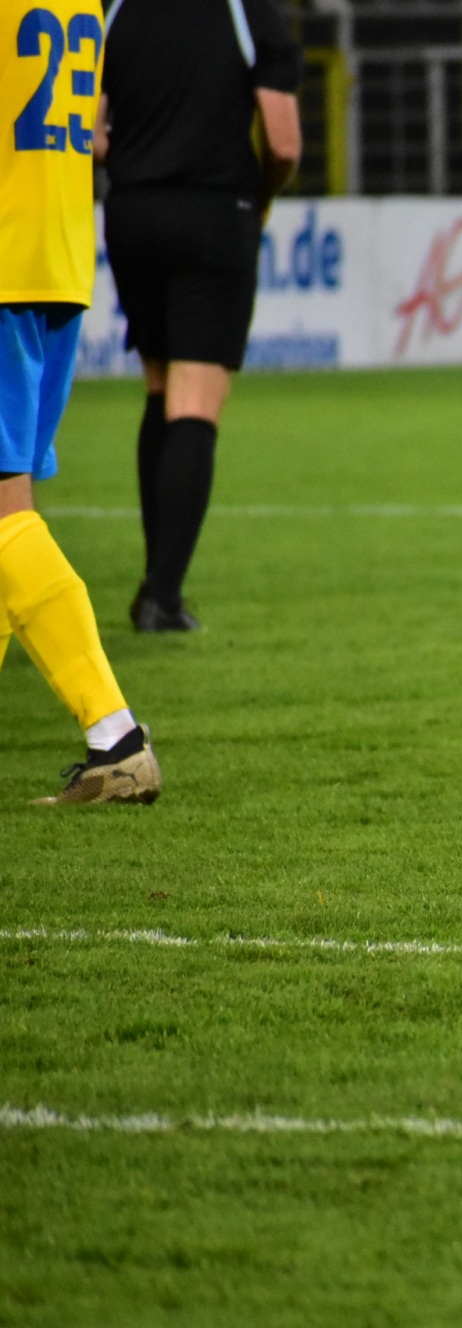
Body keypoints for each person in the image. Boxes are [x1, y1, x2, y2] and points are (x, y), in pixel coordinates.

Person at [97, 0, 302, 631]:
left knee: (160, 387)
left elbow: (90, 133)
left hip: (131, 212)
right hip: (214, 210)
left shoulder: (117, 10)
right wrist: (261, 195)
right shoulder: (246, 12)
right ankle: (162, 596)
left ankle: (157, 584)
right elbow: (284, 142)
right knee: (196, 399)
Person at [1, 0, 161, 803]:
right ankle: (112, 740)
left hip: (5, 256)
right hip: (58, 260)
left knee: (2, 515)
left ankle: (114, 731)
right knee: (9, 506)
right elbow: (94, 129)